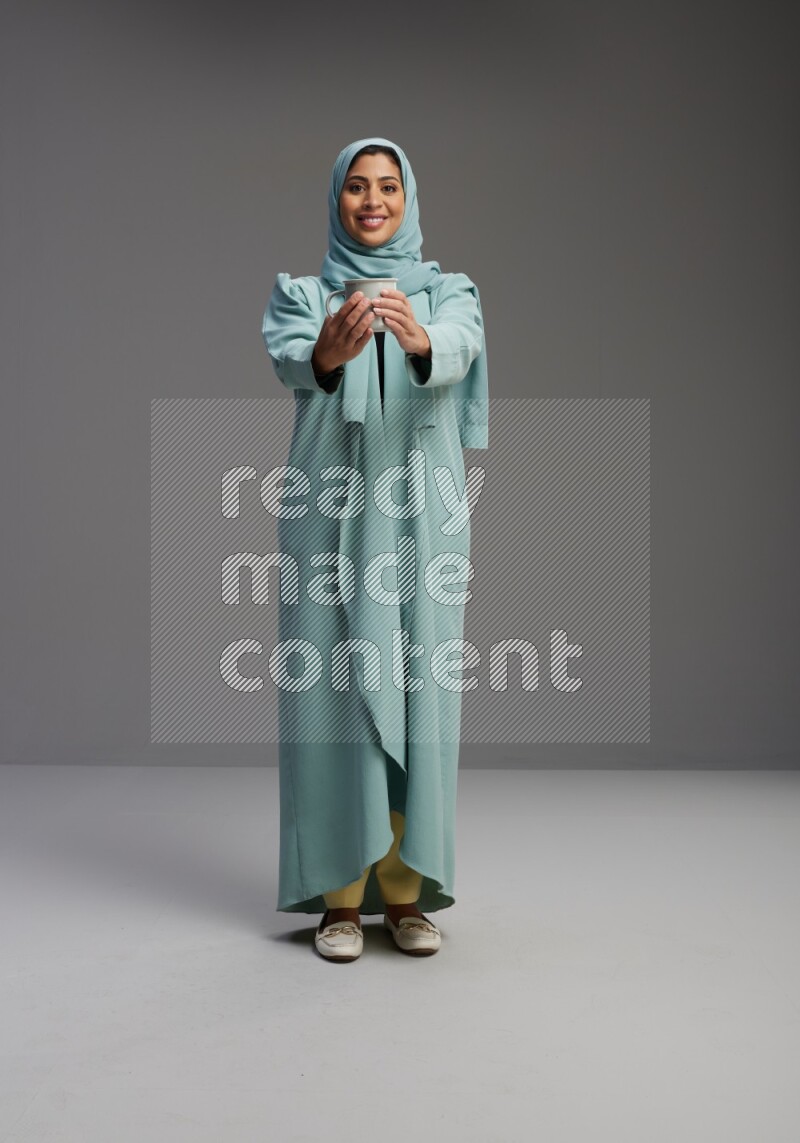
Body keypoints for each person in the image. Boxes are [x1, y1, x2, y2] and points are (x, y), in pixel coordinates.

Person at [262, 137, 489, 962]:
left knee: (420, 693)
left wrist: (418, 338)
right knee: (332, 698)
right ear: (337, 200)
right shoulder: (304, 294)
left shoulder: (447, 292)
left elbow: (459, 344)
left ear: (408, 198)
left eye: (388, 186)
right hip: (329, 515)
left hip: (421, 521)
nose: (372, 201)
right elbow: (295, 360)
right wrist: (331, 349)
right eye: (357, 187)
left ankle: (406, 894)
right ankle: (339, 900)